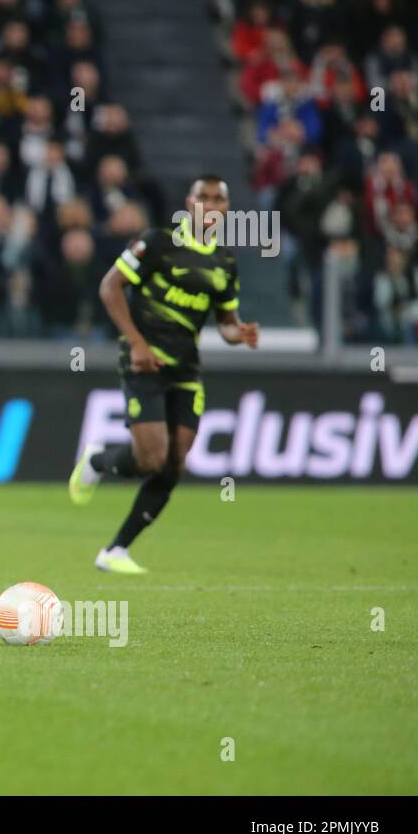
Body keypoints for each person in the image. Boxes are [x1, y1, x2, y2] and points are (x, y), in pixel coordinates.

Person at [69, 175, 259, 573]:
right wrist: (136, 343)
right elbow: (110, 287)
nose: (209, 205)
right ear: (189, 203)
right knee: (152, 457)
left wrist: (237, 333)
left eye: (218, 199)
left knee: (174, 462)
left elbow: (224, 321)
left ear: (226, 208)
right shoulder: (157, 242)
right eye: (202, 197)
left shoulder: (224, 260)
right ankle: (98, 462)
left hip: (186, 368)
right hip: (144, 361)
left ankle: (116, 549)